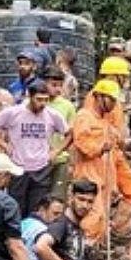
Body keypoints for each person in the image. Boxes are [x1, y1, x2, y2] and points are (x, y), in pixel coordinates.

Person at [72, 79, 131, 244]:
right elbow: (82, 143)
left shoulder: (105, 121)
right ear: (98, 97)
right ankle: (80, 250)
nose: (113, 104)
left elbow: (116, 144)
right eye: (110, 99)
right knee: (93, 217)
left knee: (102, 218)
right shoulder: (84, 116)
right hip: (88, 175)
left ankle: (94, 251)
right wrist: (100, 147)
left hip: (104, 175)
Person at [0, 80, 70, 217]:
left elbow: (70, 134)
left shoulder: (52, 115)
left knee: (36, 210)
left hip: (42, 167)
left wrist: (56, 151)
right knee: (15, 208)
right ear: (30, 97)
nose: (42, 104)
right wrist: (4, 145)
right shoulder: (13, 113)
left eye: (46, 100)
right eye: (39, 99)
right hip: (18, 167)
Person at [44, 66, 78, 199]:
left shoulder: (67, 106)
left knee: (57, 199)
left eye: (60, 85)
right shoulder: (34, 103)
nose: (57, 89)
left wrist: (71, 163)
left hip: (60, 160)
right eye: (53, 85)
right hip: (36, 159)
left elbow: (72, 136)